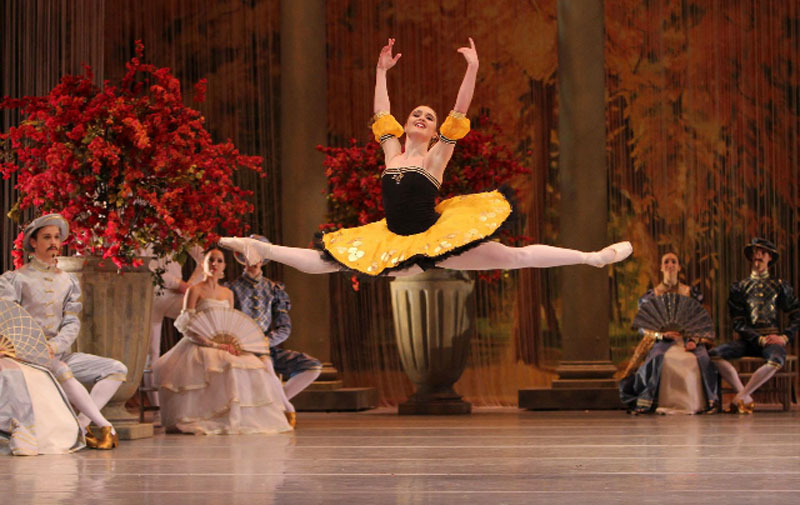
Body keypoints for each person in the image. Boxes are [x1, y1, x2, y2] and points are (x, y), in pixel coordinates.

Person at [219, 38, 632, 276]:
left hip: (435, 239)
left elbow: (460, 109)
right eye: (415, 113)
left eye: (428, 117)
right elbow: (381, 113)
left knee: (512, 256)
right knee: (330, 260)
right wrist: (381, 72)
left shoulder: (437, 156)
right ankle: (259, 248)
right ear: (405, 124)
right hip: (393, 240)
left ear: (435, 132)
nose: (420, 117)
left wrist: (472, 68)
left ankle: (592, 258)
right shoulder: (392, 153)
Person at [0, 214, 127, 449]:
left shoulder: (68, 281)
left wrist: (55, 345)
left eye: (57, 237)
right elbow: (8, 319)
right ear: (33, 242)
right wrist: (36, 346)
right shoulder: (15, 279)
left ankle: (81, 424)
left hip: (57, 352)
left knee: (116, 369)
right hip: (27, 355)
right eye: (47, 237)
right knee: (62, 369)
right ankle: (105, 425)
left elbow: (72, 322)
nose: (54, 243)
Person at [153, 246, 293, 434]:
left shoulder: (228, 293)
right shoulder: (194, 290)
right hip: (199, 343)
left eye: (219, 260)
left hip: (224, 344)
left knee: (253, 364)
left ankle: (242, 417)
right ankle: (212, 416)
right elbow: (186, 325)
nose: (215, 264)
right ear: (203, 264)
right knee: (226, 364)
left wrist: (232, 344)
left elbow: (230, 323)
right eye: (210, 259)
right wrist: (211, 343)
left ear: (224, 266)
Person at [227, 236, 323, 427]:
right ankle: (280, 408)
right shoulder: (231, 288)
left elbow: (284, 327)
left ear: (263, 259)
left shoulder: (274, 289)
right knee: (265, 364)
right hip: (241, 350)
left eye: (258, 255)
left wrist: (265, 342)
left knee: (312, 366)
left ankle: (275, 405)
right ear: (242, 258)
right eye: (249, 255)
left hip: (266, 346)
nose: (253, 260)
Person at [619, 252, 719, 414]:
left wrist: (693, 340)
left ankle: (710, 401)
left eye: (673, 262)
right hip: (662, 340)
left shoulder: (690, 293)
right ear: (661, 268)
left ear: (679, 267)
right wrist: (661, 335)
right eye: (666, 262)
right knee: (657, 357)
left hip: (687, 339)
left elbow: (698, 321)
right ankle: (648, 401)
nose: (670, 265)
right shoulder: (651, 296)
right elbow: (644, 326)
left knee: (703, 358)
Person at [710, 238, 800, 414]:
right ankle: (745, 397)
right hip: (748, 340)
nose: (758, 256)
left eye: (763, 253)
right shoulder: (741, 287)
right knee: (714, 354)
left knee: (776, 360)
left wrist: (784, 337)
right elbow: (738, 322)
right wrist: (758, 339)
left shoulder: (778, 286)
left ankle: (740, 397)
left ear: (770, 257)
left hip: (772, 339)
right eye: (755, 252)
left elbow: (796, 313)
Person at [143, 244, 204, 411]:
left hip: (175, 296)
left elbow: (203, 256)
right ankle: (156, 406)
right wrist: (179, 284)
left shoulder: (177, 233)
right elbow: (148, 265)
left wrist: (191, 285)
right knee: (151, 352)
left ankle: (198, 391)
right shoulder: (142, 234)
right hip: (151, 294)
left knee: (201, 318)